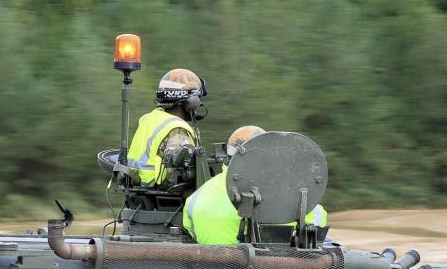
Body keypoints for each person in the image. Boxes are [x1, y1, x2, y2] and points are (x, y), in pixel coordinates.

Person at [183, 126, 327, 245]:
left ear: (227, 156)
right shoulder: (293, 198)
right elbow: (317, 225)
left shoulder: (195, 199)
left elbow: (191, 231)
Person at [127, 69, 206, 189]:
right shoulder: (177, 129)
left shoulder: (148, 119)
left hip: (137, 190)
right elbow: (174, 178)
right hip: (163, 197)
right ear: (192, 102)